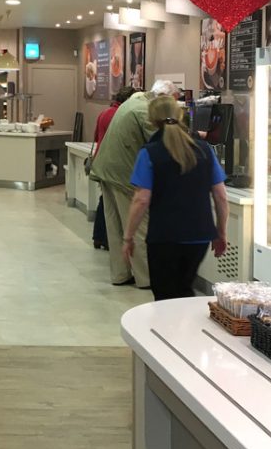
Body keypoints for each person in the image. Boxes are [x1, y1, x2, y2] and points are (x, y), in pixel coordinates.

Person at [122, 95, 229, 301]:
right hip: (199, 235)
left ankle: (168, 331)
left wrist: (128, 237)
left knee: (164, 293)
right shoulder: (204, 149)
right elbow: (221, 196)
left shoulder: (150, 153)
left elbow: (141, 199)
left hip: (164, 236)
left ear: (152, 121)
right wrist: (220, 233)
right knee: (184, 288)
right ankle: (186, 331)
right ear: (180, 116)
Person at [89, 80, 180, 288]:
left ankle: (120, 274)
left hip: (106, 169)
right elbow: (163, 141)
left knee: (115, 227)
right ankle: (147, 279)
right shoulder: (145, 110)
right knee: (138, 226)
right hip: (123, 174)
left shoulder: (133, 102)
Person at [91, 86, 138, 250]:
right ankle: (105, 238)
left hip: (101, 160)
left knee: (104, 200)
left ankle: (98, 237)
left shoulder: (104, 113)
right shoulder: (122, 114)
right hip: (114, 162)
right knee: (111, 205)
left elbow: (96, 136)